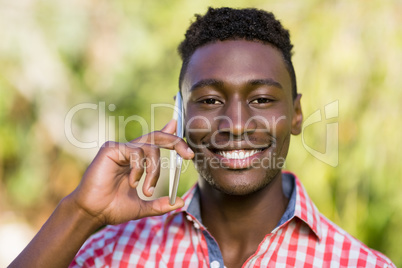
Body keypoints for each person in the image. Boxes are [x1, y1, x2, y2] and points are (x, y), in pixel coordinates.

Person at [10, 7, 395, 268]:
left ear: (295, 115)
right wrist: (81, 213)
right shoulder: (114, 252)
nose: (237, 123)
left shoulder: (358, 263)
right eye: (210, 100)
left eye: (262, 99)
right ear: (180, 114)